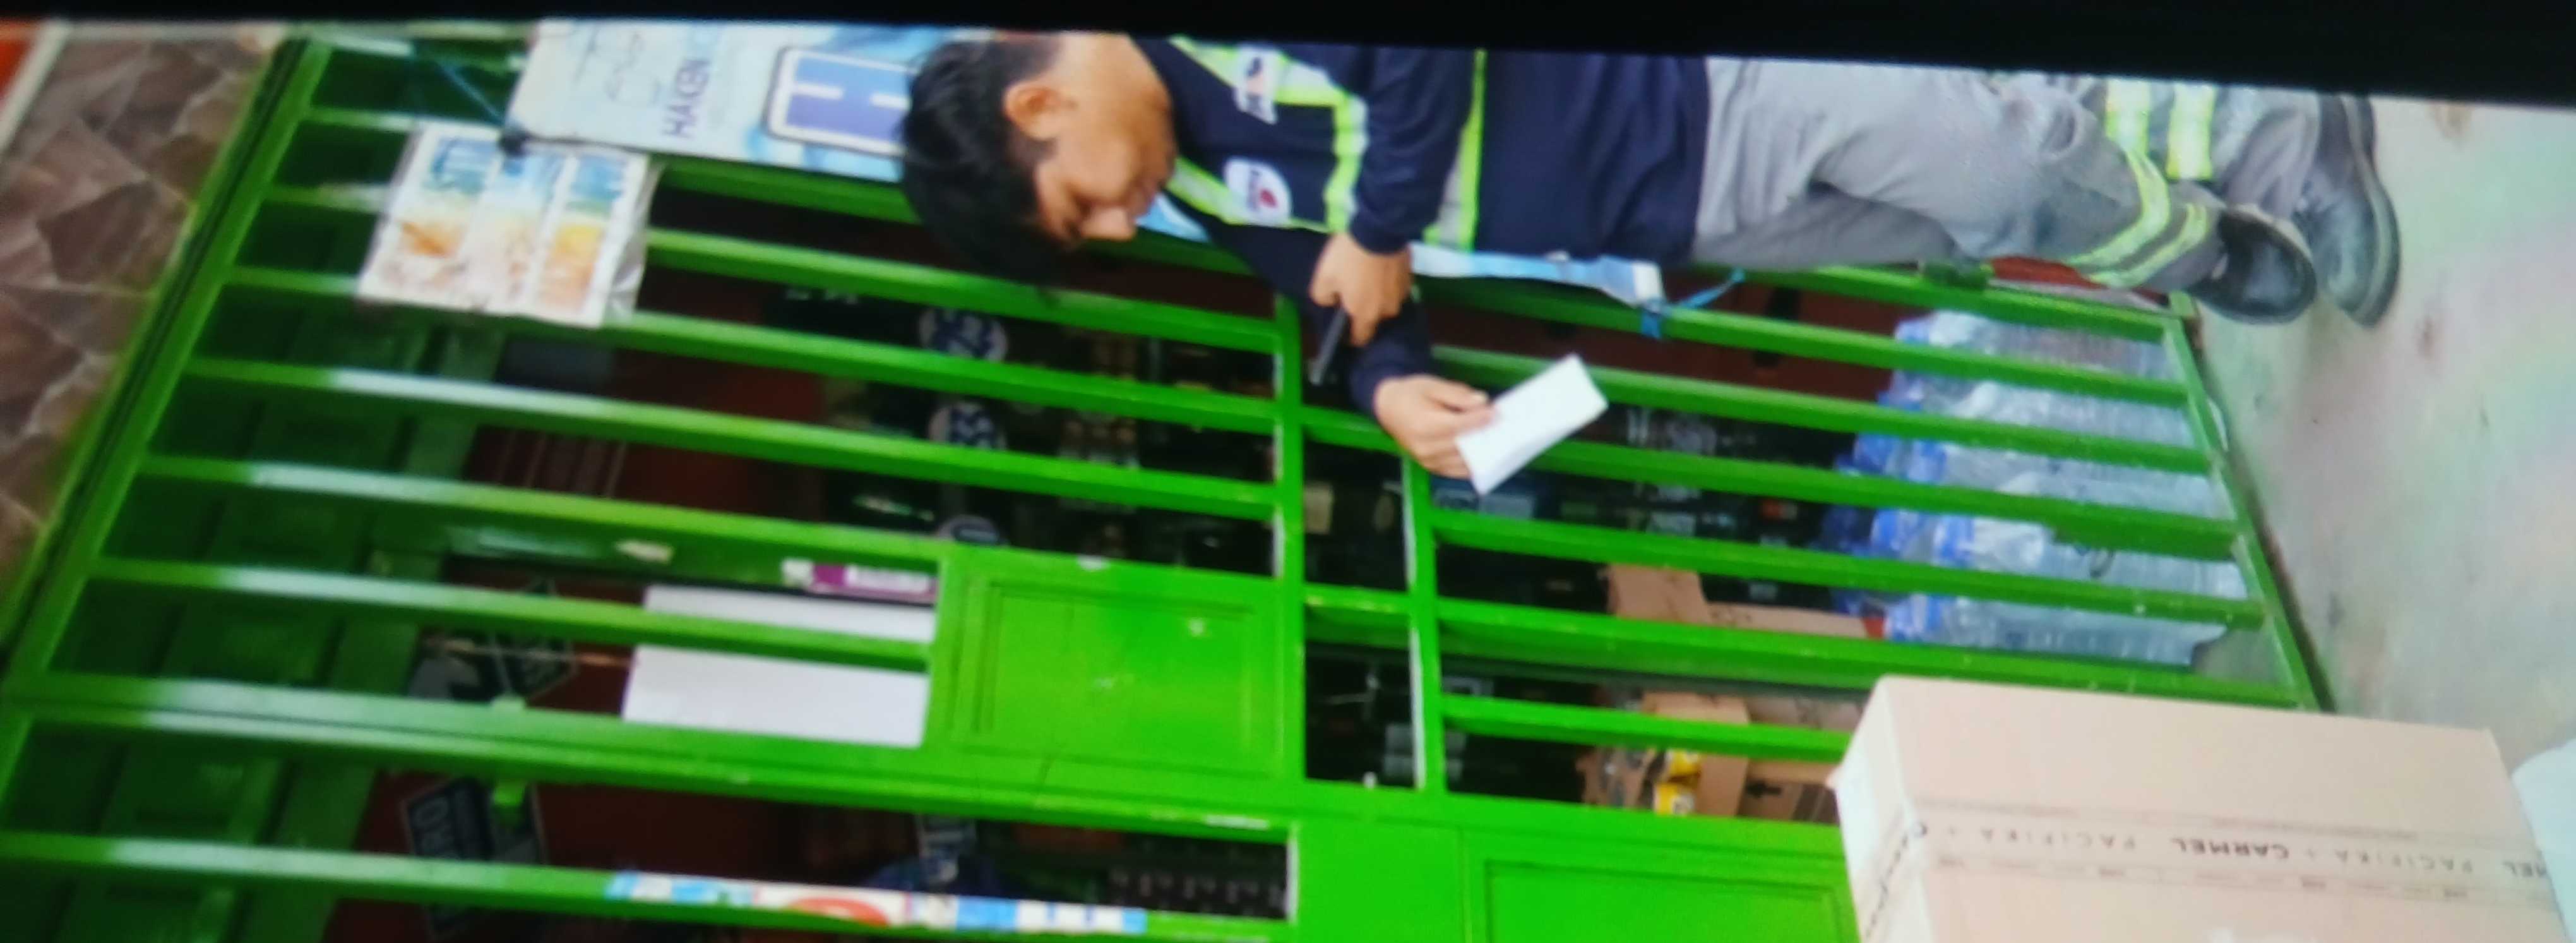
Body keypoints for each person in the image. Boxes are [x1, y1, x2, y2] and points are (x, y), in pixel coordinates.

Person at [899, 38, 2399, 477]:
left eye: (1083, 207)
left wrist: (1375, 226)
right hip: (1669, 217)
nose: (1122, 223)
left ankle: (2279, 144)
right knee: (1987, 195)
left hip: (1691, 85)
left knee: (1996, 155)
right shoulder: (1201, 182)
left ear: (1040, 109)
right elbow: (1337, 296)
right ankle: (2203, 238)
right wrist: (1384, 386)